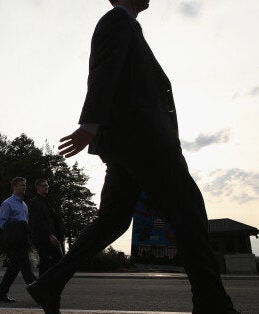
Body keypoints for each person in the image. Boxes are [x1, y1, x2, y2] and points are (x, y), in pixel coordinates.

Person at [26, 1, 239, 313]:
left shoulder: (127, 25)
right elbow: (104, 70)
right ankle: (213, 304)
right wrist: (89, 126)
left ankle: (48, 284)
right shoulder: (116, 20)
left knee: (111, 222)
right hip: (145, 141)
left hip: (130, 142)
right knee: (189, 214)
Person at [0, 177, 37, 303]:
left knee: (13, 269)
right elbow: (1, 223)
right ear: (14, 186)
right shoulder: (7, 203)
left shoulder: (24, 204)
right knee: (26, 267)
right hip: (15, 241)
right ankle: (40, 293)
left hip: (23, 240)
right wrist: (16, 228)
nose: (24, 187)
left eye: (25, 185)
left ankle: (1, 294)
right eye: (21, 185)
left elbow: (26, 222)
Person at [28, 179, 64, 276]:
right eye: (44, 185)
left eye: (47, 185)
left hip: (51, 237)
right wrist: (50, 235)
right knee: (46, 261)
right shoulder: (35, 202)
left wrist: (57, 235)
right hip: (44, 238)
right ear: (38, 187)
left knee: (55, 261)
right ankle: (42, 285)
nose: (46, 187)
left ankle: (46, 283)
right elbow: (38, 221)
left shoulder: (46, 202)